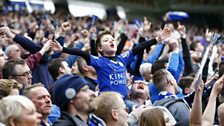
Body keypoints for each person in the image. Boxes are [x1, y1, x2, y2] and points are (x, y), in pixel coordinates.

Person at [51, 28, 171, 98]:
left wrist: (157, 39)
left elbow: (139, 48)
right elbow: (82, 54)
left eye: (113, 39)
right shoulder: (99, 61)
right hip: (108, 102)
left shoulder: (122, 58)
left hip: (124, 101)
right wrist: (63, 49)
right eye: (106, 40)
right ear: (100, 48)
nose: (111, 41)